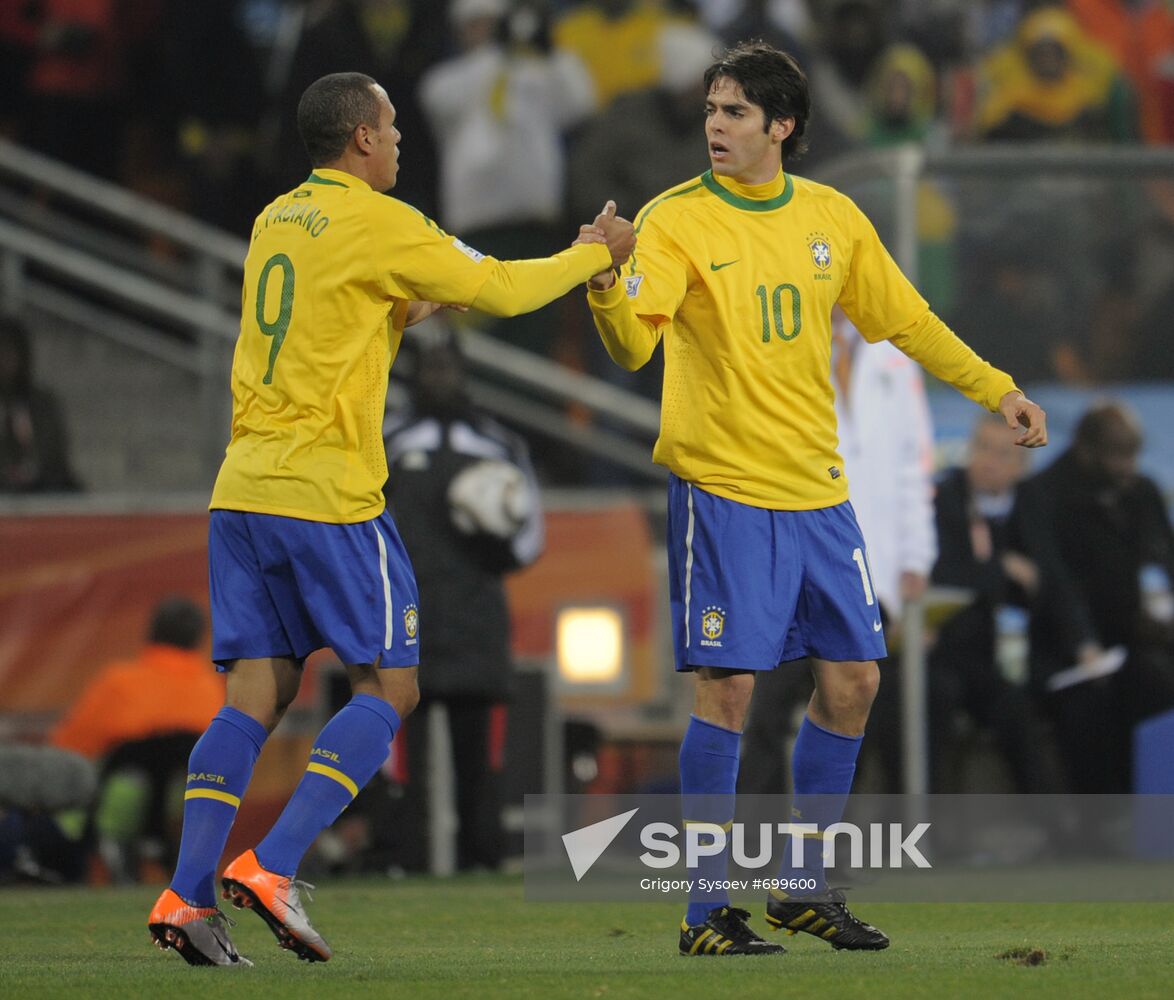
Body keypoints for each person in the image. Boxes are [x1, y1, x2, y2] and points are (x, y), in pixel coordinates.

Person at [147, 70, 634, 968]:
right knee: (394, 685)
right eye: (395, 125)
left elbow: (332, 320)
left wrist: (411, 305)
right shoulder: (384, 221)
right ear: (363, 138)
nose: (403, 139)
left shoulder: (275, 220)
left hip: (243, 489)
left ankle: (186, 891)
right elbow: (508, 292)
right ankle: (276, 867)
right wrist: (597, 253)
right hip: (328, 494)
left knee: (257, 690)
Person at [580, 40, 1046, 957]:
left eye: (736, 112)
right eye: (712, 109)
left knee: (856, 680)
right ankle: (704, 909)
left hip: (818, 495)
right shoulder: (676, 220)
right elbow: (635, 347)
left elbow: (906, 320)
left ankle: (801, 887)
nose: (716, 126)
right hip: (723, 491)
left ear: (782, 126)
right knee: (728, 692)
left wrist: (998, 388)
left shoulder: (831, 215)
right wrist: (605, 278)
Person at [738, 308, 937, 797]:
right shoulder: (776, 344)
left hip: (867, 567)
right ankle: (754, 847)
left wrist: (915, 554)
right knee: (766, 710)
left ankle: (827, 850)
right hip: (789, 560)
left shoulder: (895, 359)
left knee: (850, 708)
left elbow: (914, 462)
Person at [384, 328, 543, 872]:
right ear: (414, 374)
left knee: (477, 761)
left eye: (449, 368)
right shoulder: (386, 441)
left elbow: (530, 541)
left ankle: (483, 863)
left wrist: (487, 531)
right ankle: (403, 862)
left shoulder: (499, 446)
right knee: (405, 764)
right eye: (431, 368)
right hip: (407, 623)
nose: (440, 378)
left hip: (476, 624)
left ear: (465, 375)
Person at [1010, 401, 1174, 794]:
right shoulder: (1041, 495)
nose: (1126, 468)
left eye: (1132, 456)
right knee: (1089, 709)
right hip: (1065, 652)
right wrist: (1082, 644)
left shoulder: (1141, 491)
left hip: (1135, 640)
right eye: (1118, 457)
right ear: (1086, 450)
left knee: (1157, 687)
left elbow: (1164, 559)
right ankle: (1099, 821)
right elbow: (1054, 579)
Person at [927, 413, 1062, 794]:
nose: (988, 460)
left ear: (1022, 467)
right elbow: (947, 573)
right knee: (932, 700)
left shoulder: (1030, 506)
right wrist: (999, 568)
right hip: (937, 653)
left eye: (1002, 454)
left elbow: (1048, 581)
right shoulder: (944, 495)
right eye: (981, 448)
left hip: (988, 658)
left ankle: (1057, 833)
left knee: (1016, 709)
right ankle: (929, 833)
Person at [50, 597, 223, 880]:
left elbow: (69, 745)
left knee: (76, 794)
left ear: (152, 631)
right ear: (198, 638)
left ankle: (103, 855)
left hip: (118, 801)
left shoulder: (119, 681)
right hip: (187, 803)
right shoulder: (210, 687)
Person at [0, 315, 81, 493]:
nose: (3, 361)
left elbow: (54, 456)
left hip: (40, 488)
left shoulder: (41, 404)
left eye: (8, 352)